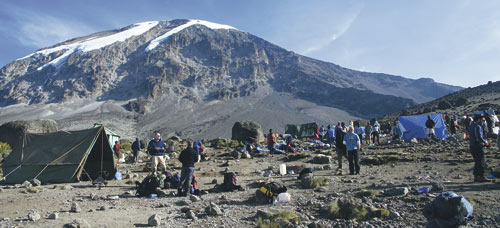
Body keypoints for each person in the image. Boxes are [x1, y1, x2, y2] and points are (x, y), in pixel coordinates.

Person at [468, 115, 490, 182]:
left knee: (477, 161)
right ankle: (481, 176)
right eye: (482, 120)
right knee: (481, 161)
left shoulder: (471, 126)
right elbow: (479, 137)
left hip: (472, 145)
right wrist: (485, 142)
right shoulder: (477, 126)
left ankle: (476, 176)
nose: (483, 122)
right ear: (479, 120)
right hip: (477, 146)